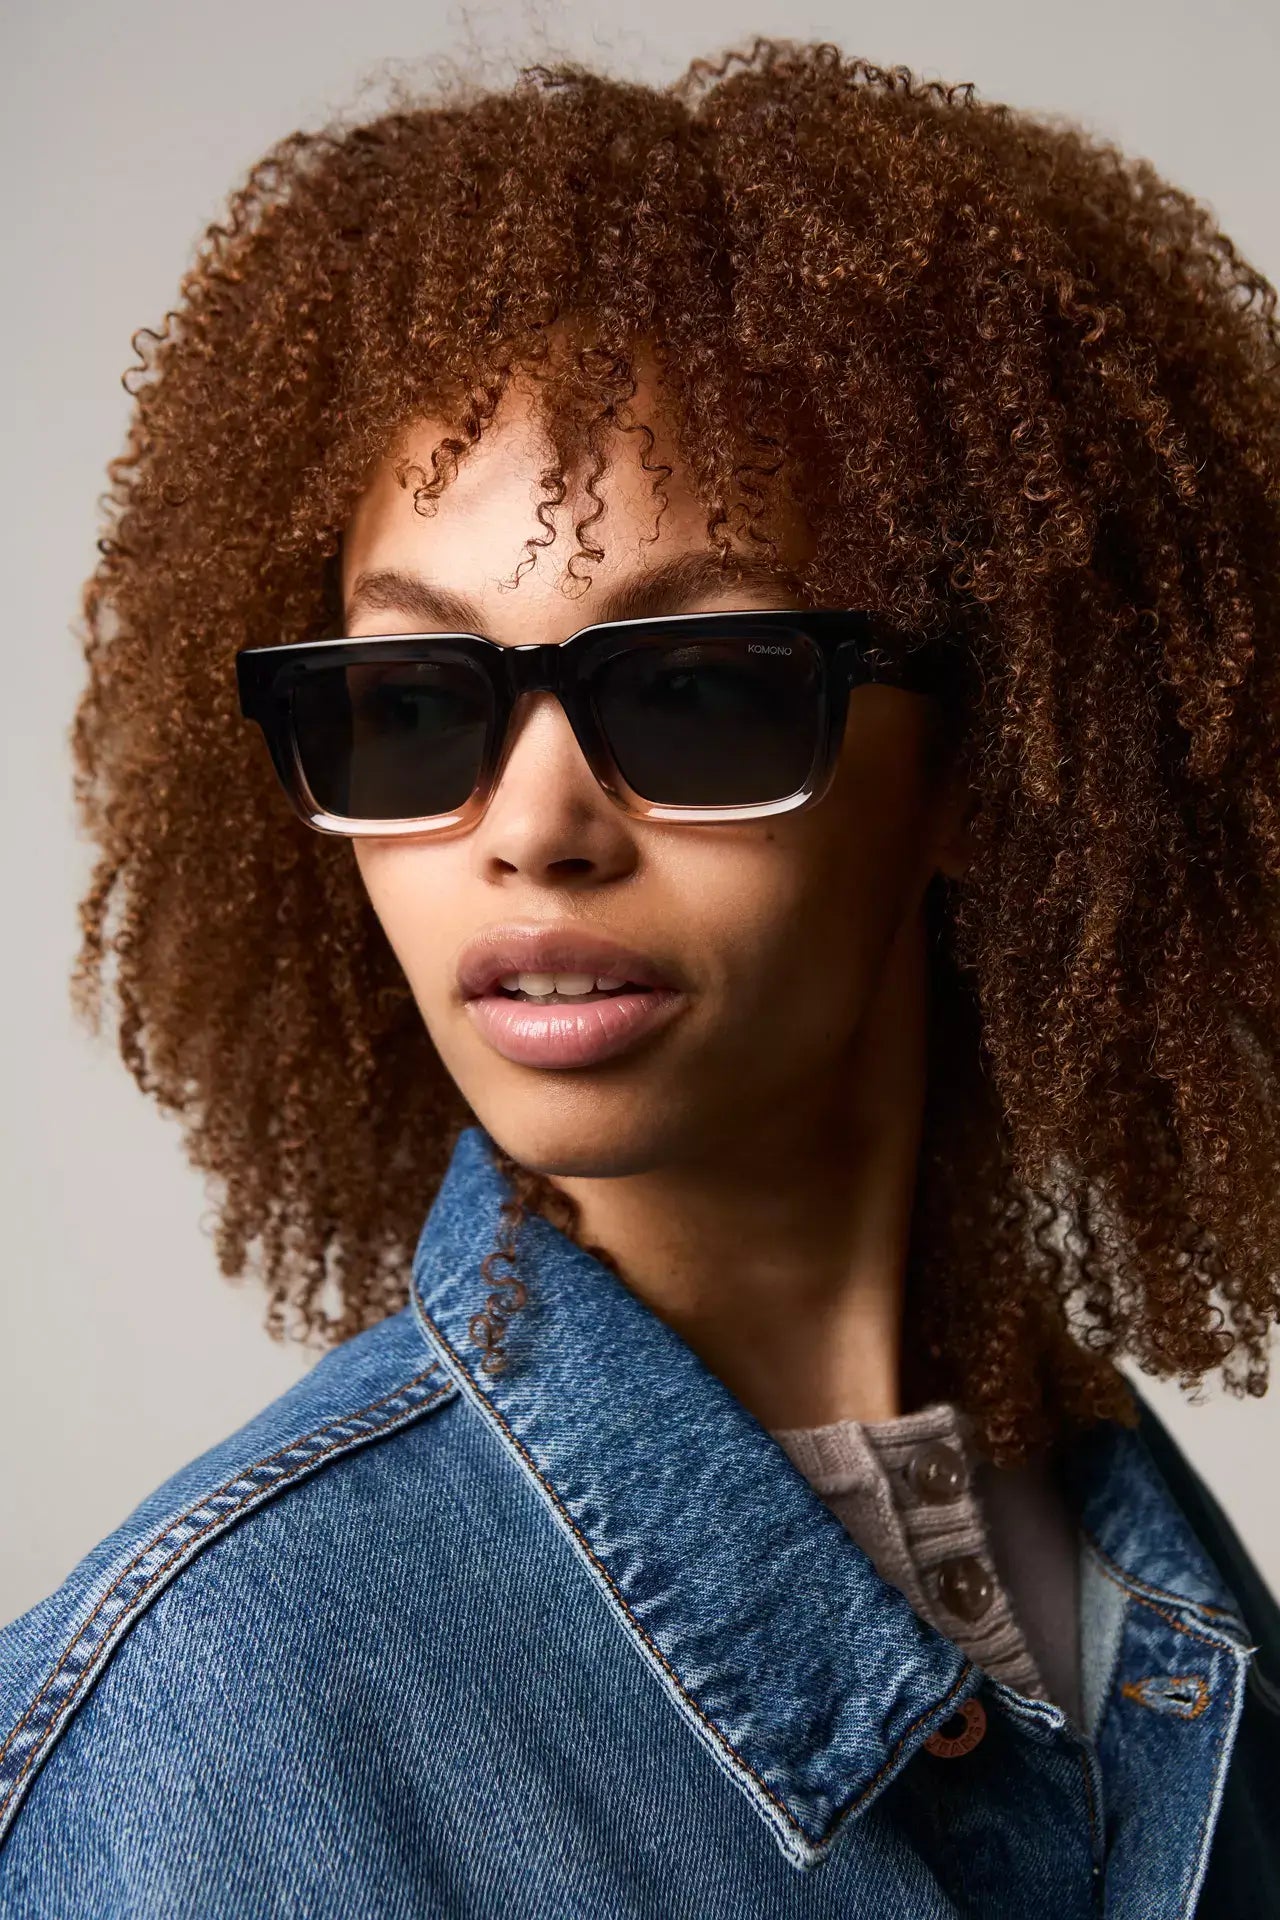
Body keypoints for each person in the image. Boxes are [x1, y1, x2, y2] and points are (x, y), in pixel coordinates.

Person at [2, 34, 1278, 1918]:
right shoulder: (195, 1742)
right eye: (411, 704)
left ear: (987, 758)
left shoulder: (1158, 1599)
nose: (533, 828)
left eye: (692, 686)